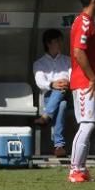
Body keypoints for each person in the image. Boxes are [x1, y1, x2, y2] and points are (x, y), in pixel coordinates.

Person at [68, 0, 95, 182]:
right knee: (86, 124)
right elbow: (78, 52)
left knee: (89, 124)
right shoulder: (83, 22)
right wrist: (92, 77)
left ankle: (81, 168)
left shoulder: (87, 22)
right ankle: (75, 169)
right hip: (84, 82)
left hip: (90, 81)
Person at [33, 28, 72, 157]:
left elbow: (72, 77)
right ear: (49, 43)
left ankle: (46, 116)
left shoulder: (68, 60)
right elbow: (40, 82)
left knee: (62, 91)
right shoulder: (39, 63)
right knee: (61, 105)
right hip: (49, 97)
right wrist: (52, 84)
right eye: (57, 41)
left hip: (67, 93)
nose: (61, 43)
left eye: (61, 40)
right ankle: (59, 146)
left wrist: (65, 83)